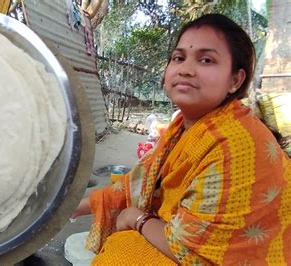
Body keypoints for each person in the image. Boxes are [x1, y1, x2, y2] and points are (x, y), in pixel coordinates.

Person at [72, 14, 291, 265]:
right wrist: (70, 208)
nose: (186, 69)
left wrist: (138, 220)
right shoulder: (182, 127)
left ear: (235, 80)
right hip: (186, 240)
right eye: (179, 58)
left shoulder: (236, 144)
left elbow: (195, 252)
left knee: (122, 255)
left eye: (206, 60)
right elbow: (136, 183)